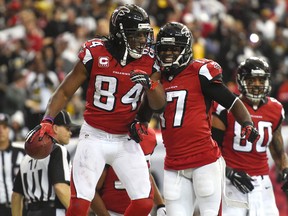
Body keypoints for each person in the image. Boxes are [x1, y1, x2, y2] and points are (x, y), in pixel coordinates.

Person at [34, 4, 166, 216]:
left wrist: (151, 85)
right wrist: (47, 119)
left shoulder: (150, 59)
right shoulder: (96, 52)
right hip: (94, 135)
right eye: (136, 35)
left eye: (144, 34)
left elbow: (159, 105)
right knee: (78, 205)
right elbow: (65, 92)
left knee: (143, 202)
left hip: (126, 138)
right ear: (120, 34)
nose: (143, 40)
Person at [154, 22, 259, 216]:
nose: (168, 53)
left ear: (185, 49)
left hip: (204, 161)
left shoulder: (199, 72)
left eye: (173, 48)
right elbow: (145, 111)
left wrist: (247, 123)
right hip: (173, 165)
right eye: (164, 48)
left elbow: (232, 101)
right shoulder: (157, 78)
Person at [212, 57, 288, 216]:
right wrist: (229, 172)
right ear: (241, 81)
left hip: (262, 181)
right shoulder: (226, 108)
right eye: (251, 80)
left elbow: (277, 149)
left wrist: (285, 169)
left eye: (261, 80)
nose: (257, 84)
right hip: (232, 181)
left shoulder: (275, 108)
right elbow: (212, 149)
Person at [11, 110, 78, 216]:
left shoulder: (26, 157)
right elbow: (60, 187)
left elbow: (15, 197)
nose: (70, 132)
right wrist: (79, 213)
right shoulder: (58, 150)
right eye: (67, 128)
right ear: (55, 128)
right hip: (53, 210)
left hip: (31, 212)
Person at [90, 127, 166, 216]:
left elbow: (145, 174)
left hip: (141, 211)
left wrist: (160, 204)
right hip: (112, 212)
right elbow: (91, 190)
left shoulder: (149, 135)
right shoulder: (108, 137)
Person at [0, 113, 25, 216]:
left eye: (4, 127)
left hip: (19, 207)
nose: (0, 131)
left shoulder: (21, 153)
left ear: (9, 129)